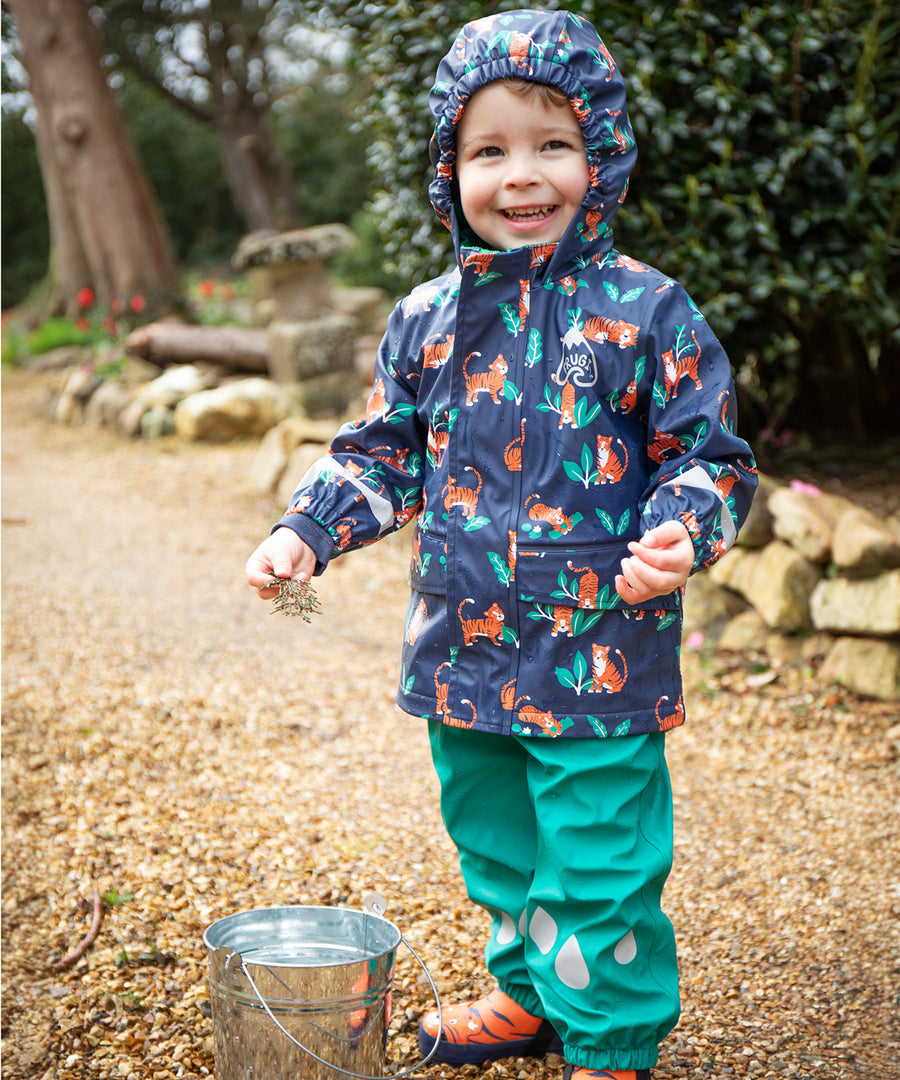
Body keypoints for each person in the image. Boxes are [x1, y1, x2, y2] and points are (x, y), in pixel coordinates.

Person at [245, 10, 757, 1080]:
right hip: (464, 657)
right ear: (450, 169)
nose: (522, 177)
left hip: (599, 660)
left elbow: (711, 454)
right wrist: (306, 530)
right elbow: (384, 454)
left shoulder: (645, 313)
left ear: (601, 157)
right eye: (490, 151)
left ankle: (609, 1042)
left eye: (553, 145)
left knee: (599, 863)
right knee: (498, 847)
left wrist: (682, 529)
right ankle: (528, 999)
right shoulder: (429, 319)